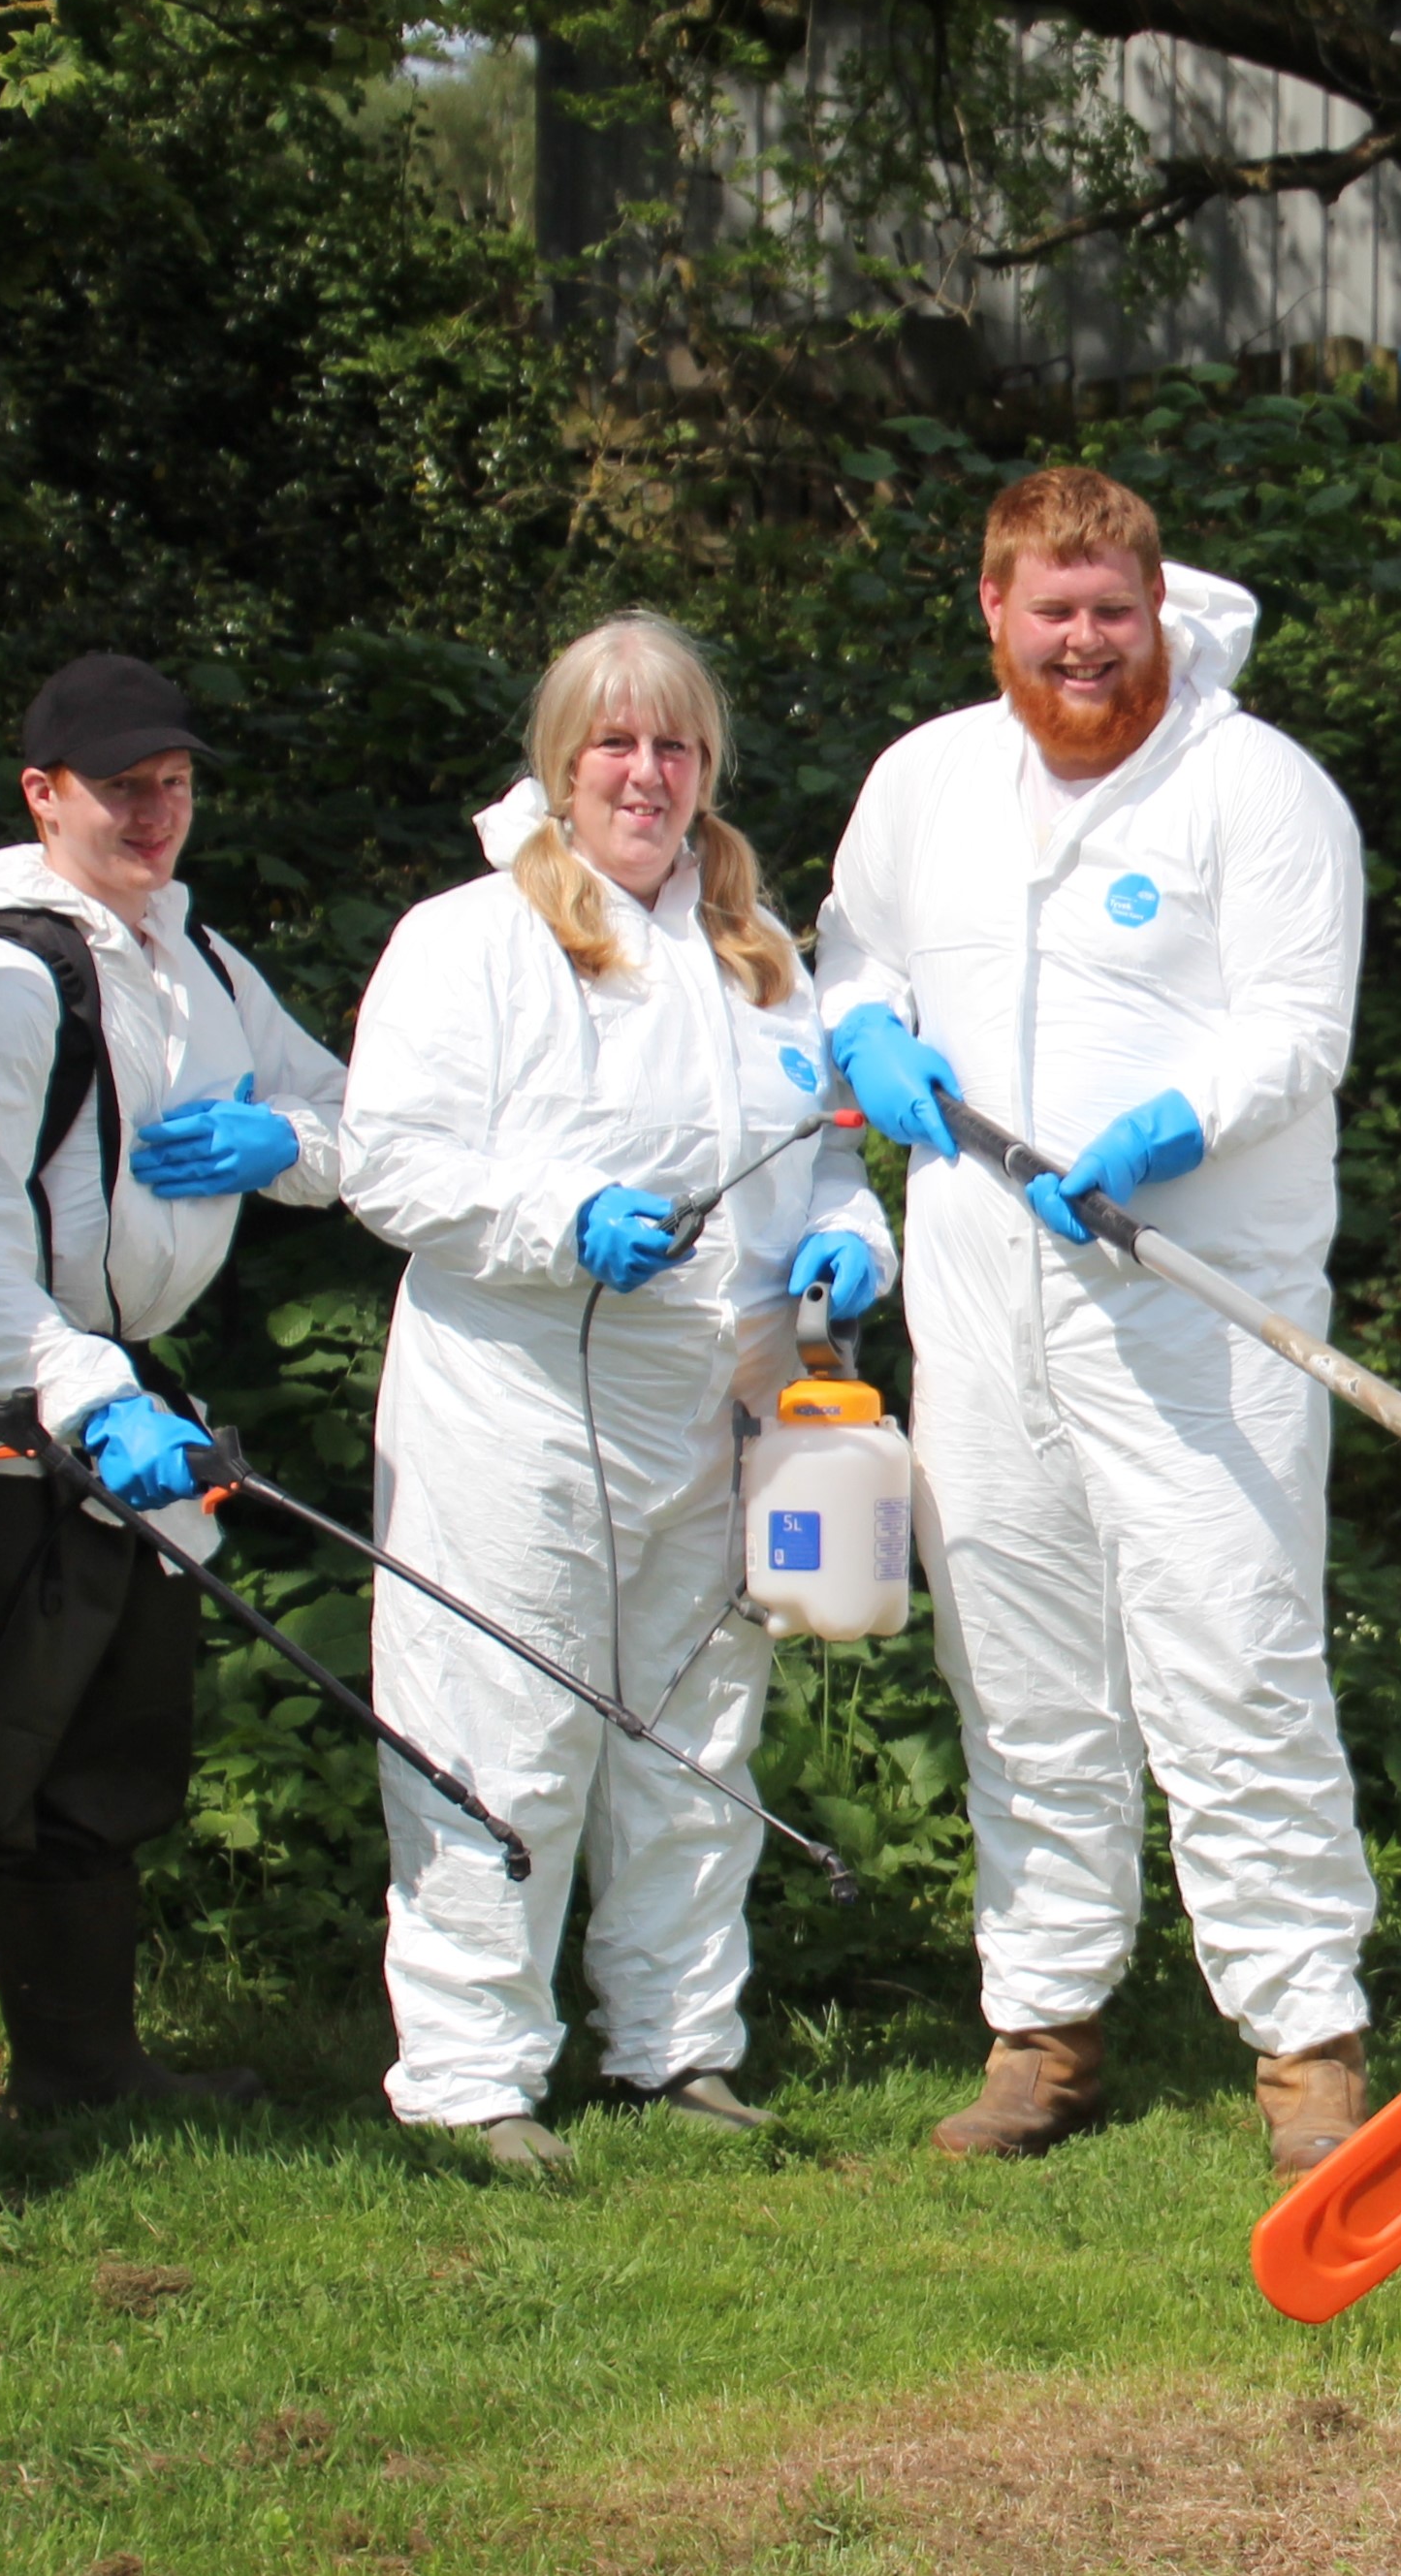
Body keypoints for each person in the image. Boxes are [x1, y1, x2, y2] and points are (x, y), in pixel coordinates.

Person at [812, 465, 1378, 2177]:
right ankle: (1045, 2024)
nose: (1082, 642)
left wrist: (1167, 1132)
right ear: (992, 609)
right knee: (1020, 1662)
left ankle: (1306, 2036)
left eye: (1110, 613)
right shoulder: (926, 780)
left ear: (1157, 608)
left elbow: (1299, 1026)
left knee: (1237, 1655)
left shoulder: (1255, 789)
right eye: (1049, 610)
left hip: (1196, 1303)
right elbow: (853, 953)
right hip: (986, 1289)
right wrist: (868, 1037)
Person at [340, 615, 892, 2170]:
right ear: (559, 765)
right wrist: (557, 1219)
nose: (645, 774)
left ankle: (675, 2045)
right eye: (614, 744)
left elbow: (828, 1163)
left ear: (709, 764)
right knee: (499, 1718)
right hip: (515, 1403)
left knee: (699, 1733)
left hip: (733, 1399)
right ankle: (470, 2074)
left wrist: (854, 1247)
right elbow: (389, 1159)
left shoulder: (760, 952)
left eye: (675, 745)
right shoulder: (472, 938)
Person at [0, 653, 349, 2141]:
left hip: (144, 1408)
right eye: (120, 784)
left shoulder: (201, 964)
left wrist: (282, 1146)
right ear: (42, 793)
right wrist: (89, 1397)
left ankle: (84, 2062)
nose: (154, 811)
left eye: (174, 781)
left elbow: (350, 1111)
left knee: (108, 1759)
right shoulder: (1, 978)